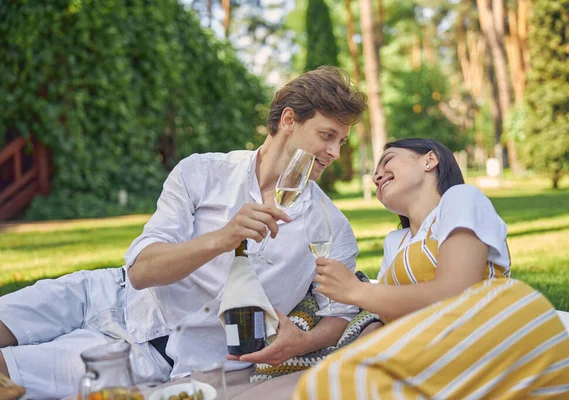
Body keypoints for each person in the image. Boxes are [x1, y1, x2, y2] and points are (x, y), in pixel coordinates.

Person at [0, 66, 368, 399]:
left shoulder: (331, 227)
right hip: (103, 293)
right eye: (327, 135)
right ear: (289, 120)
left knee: (8, 374)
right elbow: (141, 272)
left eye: (341, 141)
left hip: (153, 356)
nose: (334, 151)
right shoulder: (201, 172)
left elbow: (337, 315)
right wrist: (223, 238)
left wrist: (302, 342)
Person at [294, 138, 569, 399]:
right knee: (324, 384)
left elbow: (457, 293)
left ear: (429, 160)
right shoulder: (395, 242)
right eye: (375, 172)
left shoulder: (460, 199)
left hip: (481, 337)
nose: (376, 175)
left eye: (388, 160)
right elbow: (389, 317)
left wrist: (357, 292)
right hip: (426, 349)